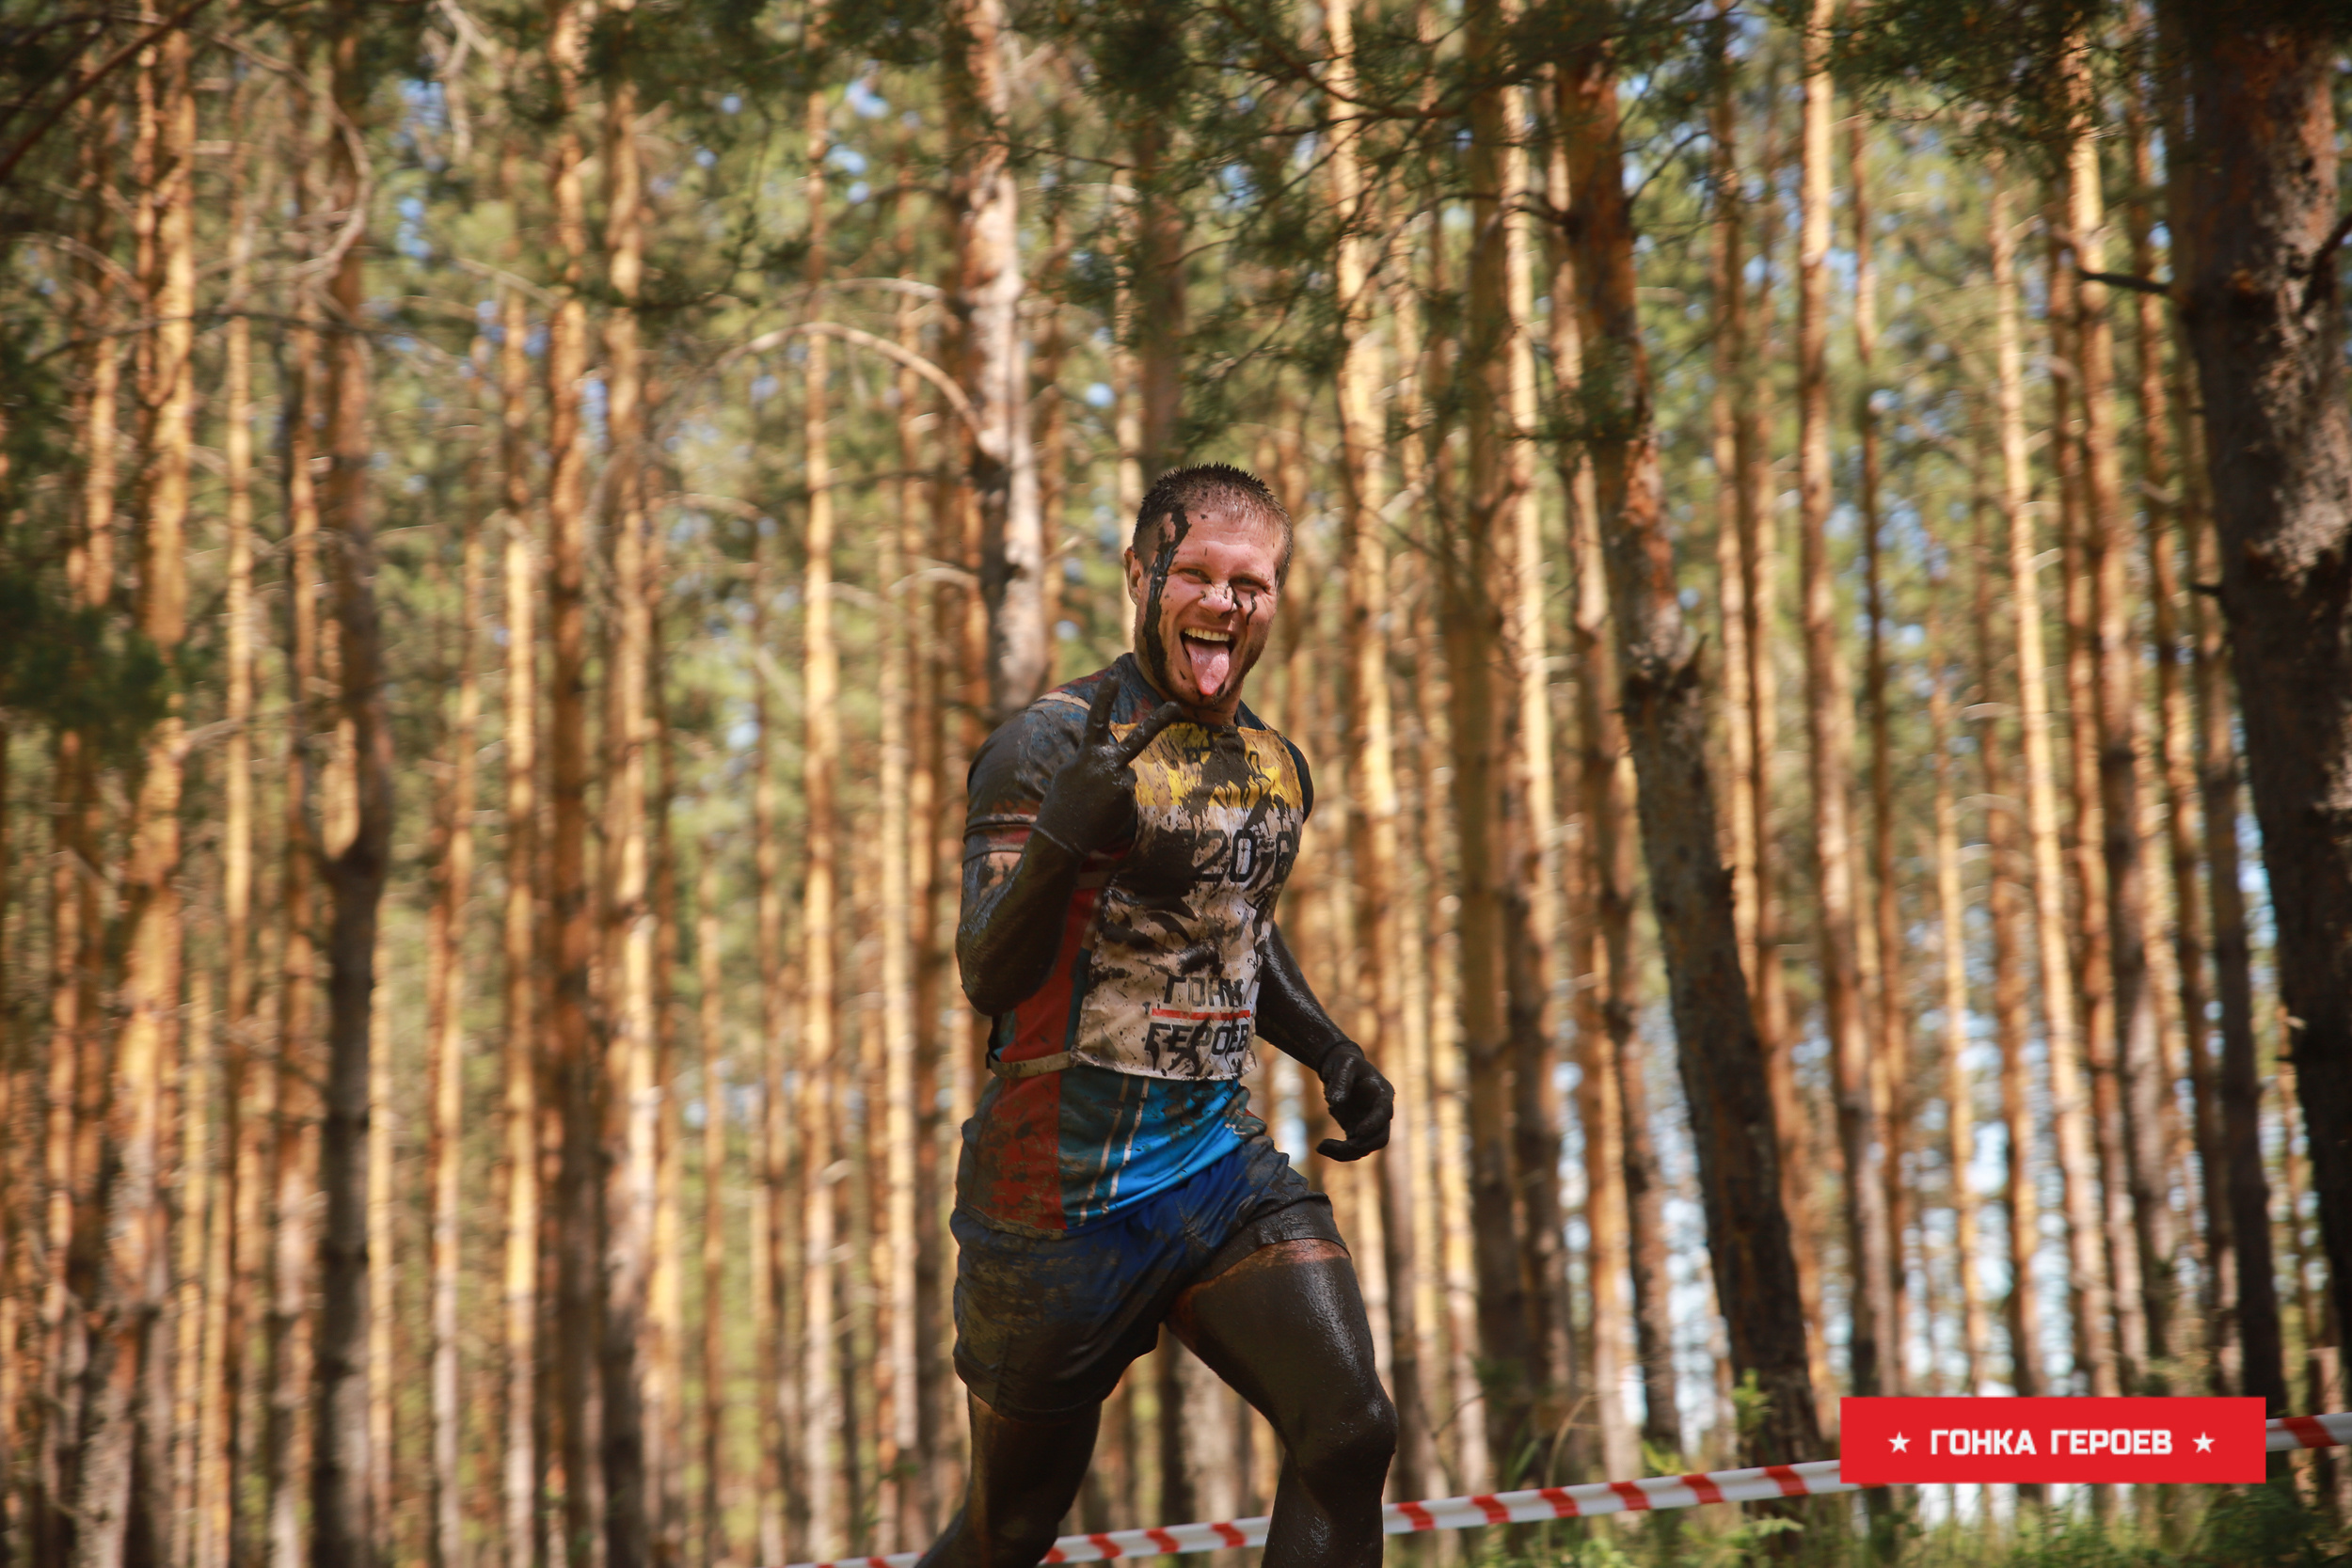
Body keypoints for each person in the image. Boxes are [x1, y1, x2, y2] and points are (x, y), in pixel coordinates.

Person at [919, 465, 1398, 1568]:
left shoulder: (1275, 767)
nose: (1226, 602)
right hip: (1056, 1191)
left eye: (1253, 582)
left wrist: (1332, 1050)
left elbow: (1232, 931)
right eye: (1197, 575)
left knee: (1351, 1425)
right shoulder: (1045, 747)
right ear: (1141, 575)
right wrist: (1061, 837)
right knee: (1011, 1526)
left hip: (1213, 1164)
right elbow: (985, 973)